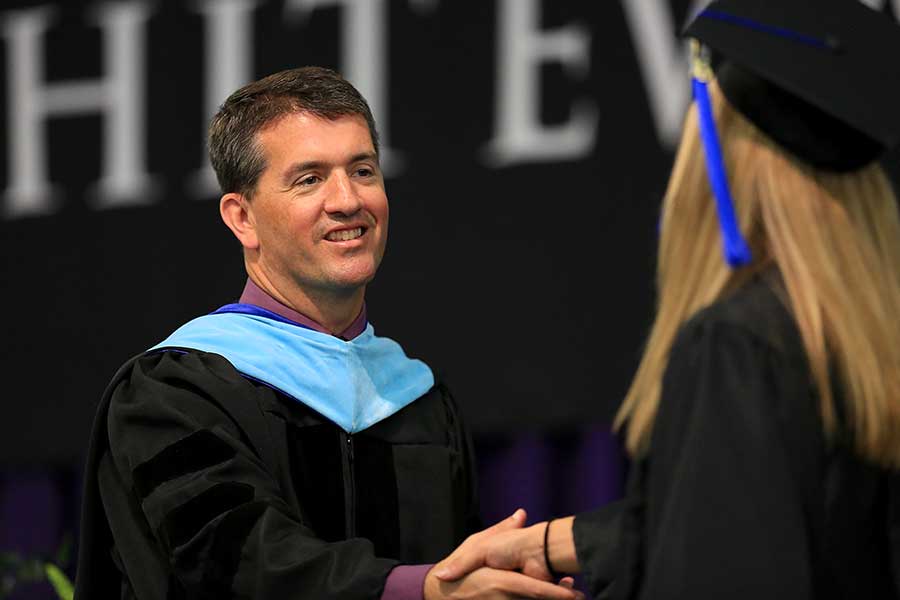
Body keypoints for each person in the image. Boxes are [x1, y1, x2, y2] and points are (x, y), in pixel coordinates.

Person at [433, 0, 900, 598]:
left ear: (721, 150)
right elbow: (758, 522)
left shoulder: (738, 344)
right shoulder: (864, 340)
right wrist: (550, 545)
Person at [72, 66, 581, 600]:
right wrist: (423, 591)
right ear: (241, 217)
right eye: (309, 178)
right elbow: (235, 563)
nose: (347, 201)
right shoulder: (172, 393)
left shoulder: (418, 399)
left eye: (362, 170)